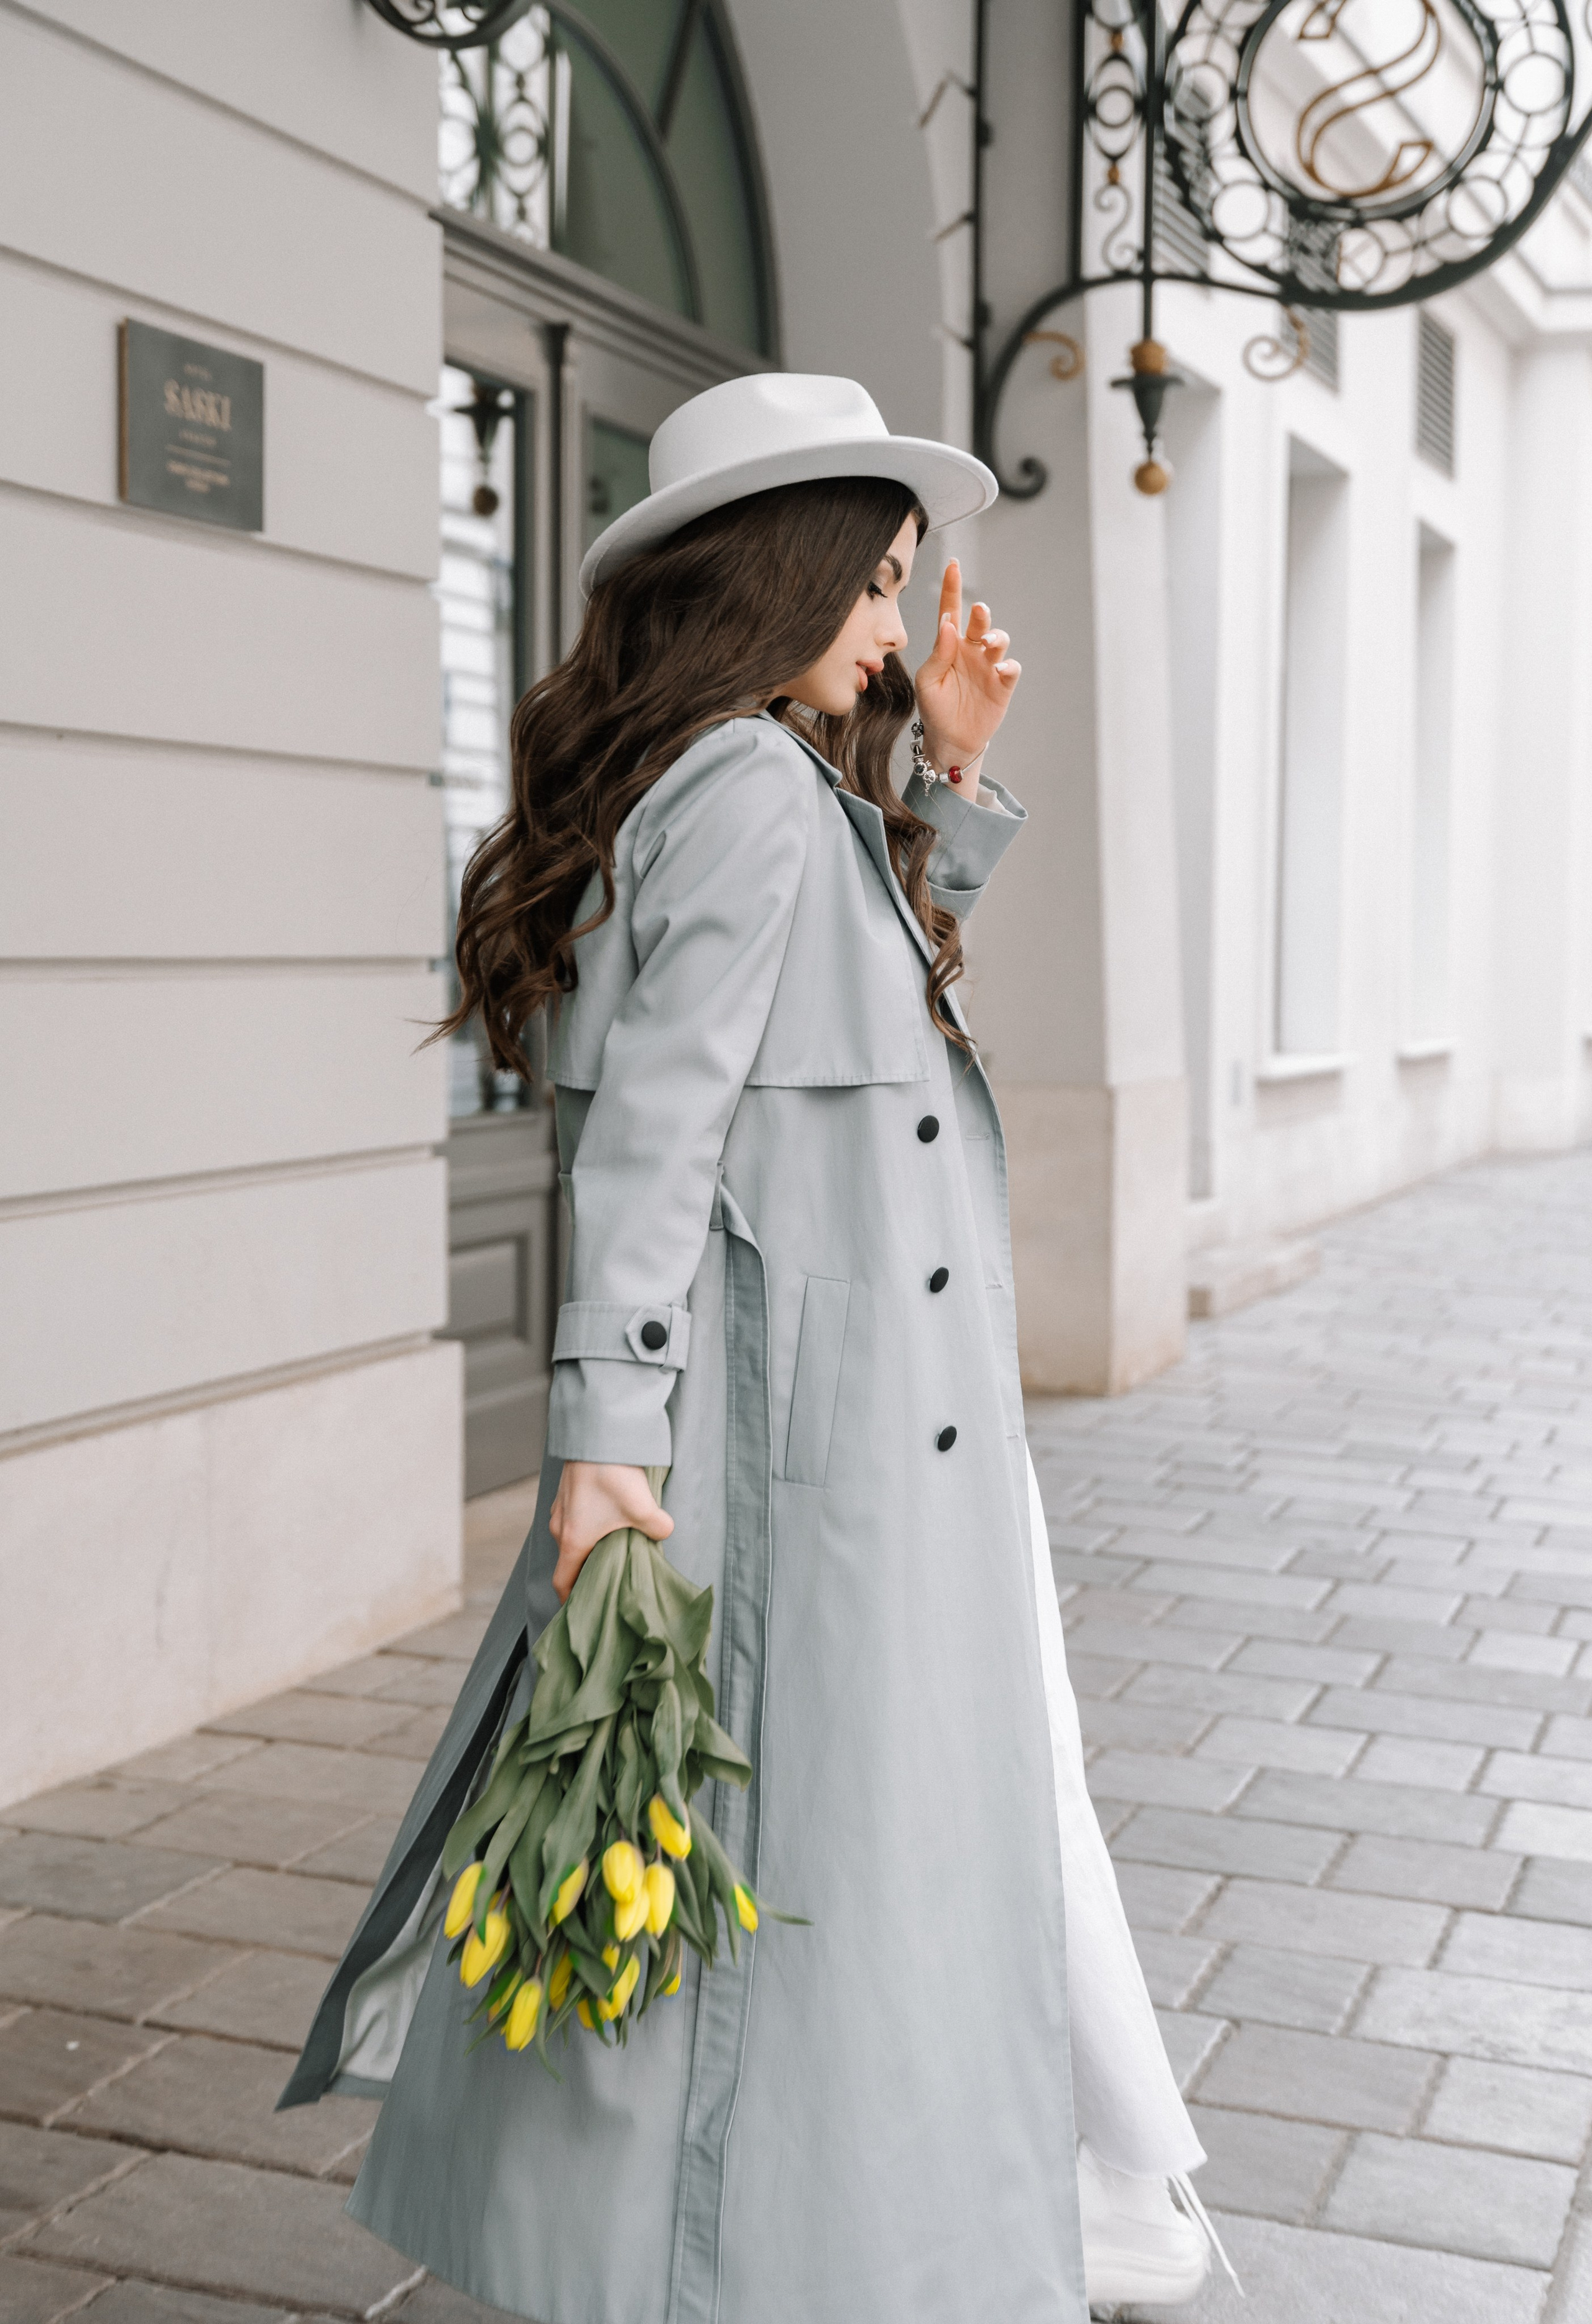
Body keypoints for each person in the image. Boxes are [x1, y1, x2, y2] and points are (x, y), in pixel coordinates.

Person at [279, 373, 1228, 2320]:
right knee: (822, 1857)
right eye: (880, 587)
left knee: (884, 1843)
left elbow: (849, 1013)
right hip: (810, 1441)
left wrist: (945, 786)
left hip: (867, 1425)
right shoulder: (740, 790)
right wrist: (608, 1439)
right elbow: (654, 1131)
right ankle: (795, 2247)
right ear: (776, 574)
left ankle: (908, 2221)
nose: (899, 628)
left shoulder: (768, 788)